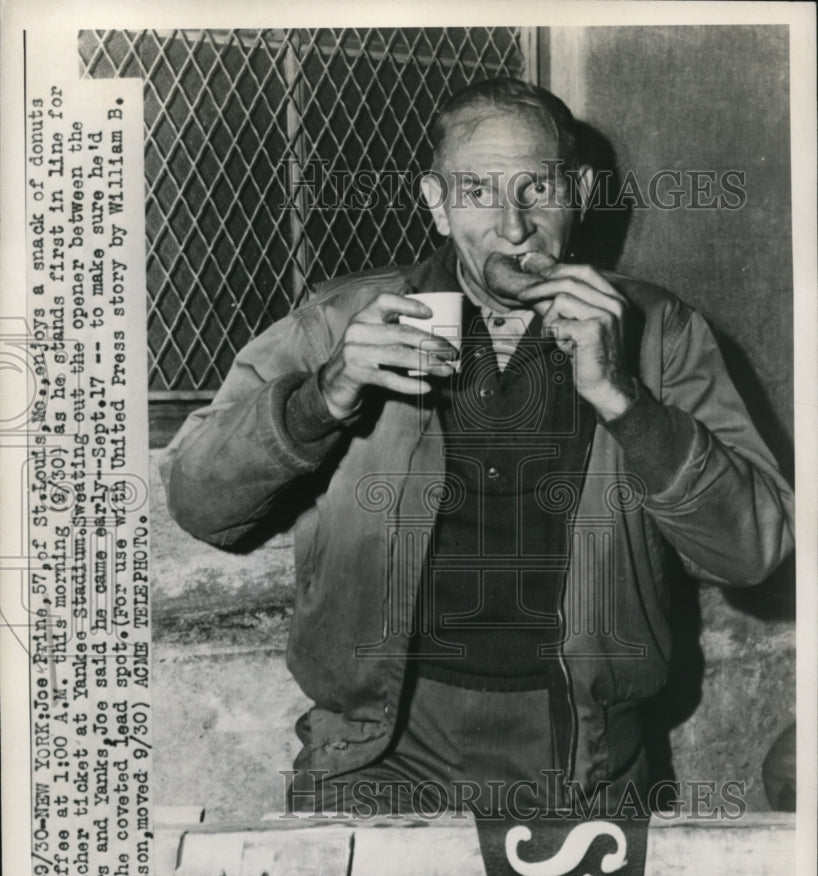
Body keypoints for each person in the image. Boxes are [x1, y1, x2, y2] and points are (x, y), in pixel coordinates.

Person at [161, 77, 793, 819]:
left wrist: (625, 399)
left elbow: (753, 552)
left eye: (537, 189)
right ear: (436, 202)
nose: (513, 226)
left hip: (586, 757)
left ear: (581, 191)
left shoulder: (659, 332)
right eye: (478, 191)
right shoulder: (340, 321)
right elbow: (198, 503)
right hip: (378, 749)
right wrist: (324, 394)